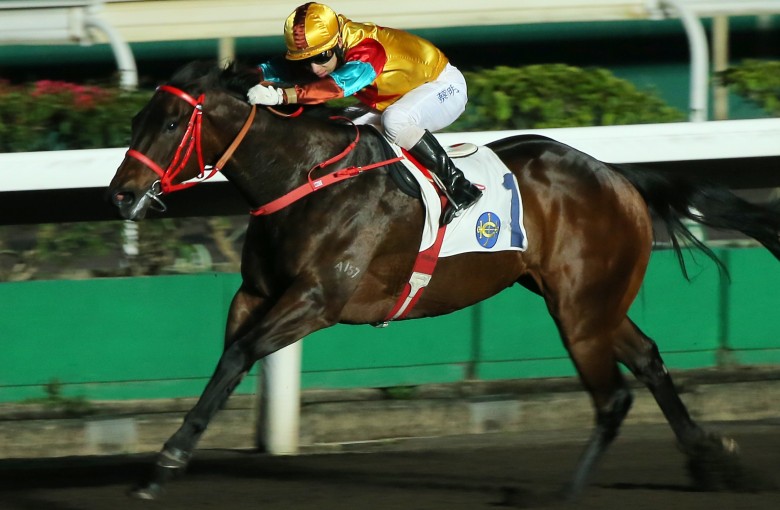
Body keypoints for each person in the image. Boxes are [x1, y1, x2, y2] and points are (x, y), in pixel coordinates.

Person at [247, 2, 481, 224]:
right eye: (306, 61)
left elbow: (337, 86)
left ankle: (458, 185)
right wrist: (243, 77)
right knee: (341, 128)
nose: (315, 68)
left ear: (338, 41)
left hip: (443, 87)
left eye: (321, 58)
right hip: (395, 97)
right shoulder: (328, 45)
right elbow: (278, 68)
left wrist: (282, 96)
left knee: (395, 120)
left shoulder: (368, 48)